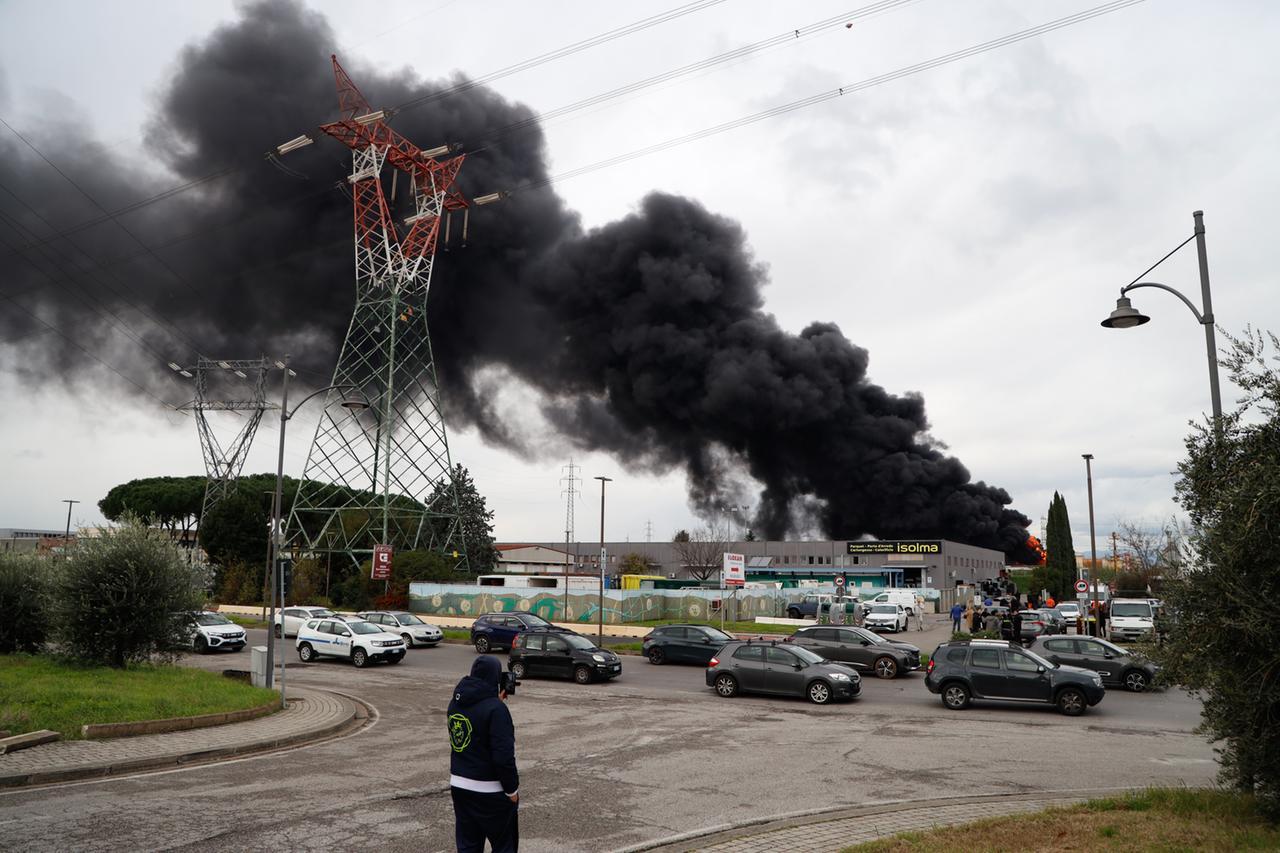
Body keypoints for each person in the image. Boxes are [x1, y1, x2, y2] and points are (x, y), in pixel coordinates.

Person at [448, 656, 520, 853]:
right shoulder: (497, 710)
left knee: (469, 845)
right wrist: (511, 791)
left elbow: (476, 718)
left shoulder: (455, 703)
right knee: (504, 845)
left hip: (460, 786)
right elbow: (503, 757)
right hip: (490, 791)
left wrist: (493, 700)